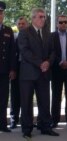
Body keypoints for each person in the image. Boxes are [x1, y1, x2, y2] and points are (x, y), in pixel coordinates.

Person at [18, 8, 59, 138]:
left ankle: (45, 126)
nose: (43, 19)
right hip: (28, 74)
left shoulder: (48, 33)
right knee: (26, 103)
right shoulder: (24, 32)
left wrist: (48, 62)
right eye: (40, 17)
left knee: (45, 102)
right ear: (33, 18)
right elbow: (25, 51)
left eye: (44, 17)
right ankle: (27, 129)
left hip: (44, 73)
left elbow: (53, 51)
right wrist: (40, 63)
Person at [10, 16, 29, 129]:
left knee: (27, 95)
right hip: (16, 69)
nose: (21, 25)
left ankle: (26, 120)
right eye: (19, 24)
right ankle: (14, 119)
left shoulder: (31, 37)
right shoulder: (14, 38)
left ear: (27, 24)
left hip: (28, 69)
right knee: (15, 95)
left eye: (23, 23)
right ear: (17, 25)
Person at [0, 1, 16, 132]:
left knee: (3, 98)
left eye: (1, 13)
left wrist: (12, 69)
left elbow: (12, 52)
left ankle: (2, 124)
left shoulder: (8, 30)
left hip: (4, 71)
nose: (0, 15)